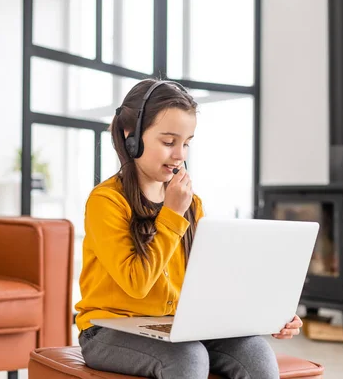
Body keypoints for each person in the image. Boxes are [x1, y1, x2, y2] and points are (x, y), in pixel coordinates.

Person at [74, 79, 302, 379]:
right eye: (169, 142)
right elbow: (136, 282)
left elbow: (209, 281)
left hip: (176, 325)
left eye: (187, 143)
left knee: (256, 353)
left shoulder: (192, 204)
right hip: (107, 330)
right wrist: (171, 214)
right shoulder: (107, 201)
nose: (180, 154)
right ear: (132, 138)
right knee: (187, 356)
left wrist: (267, 316)